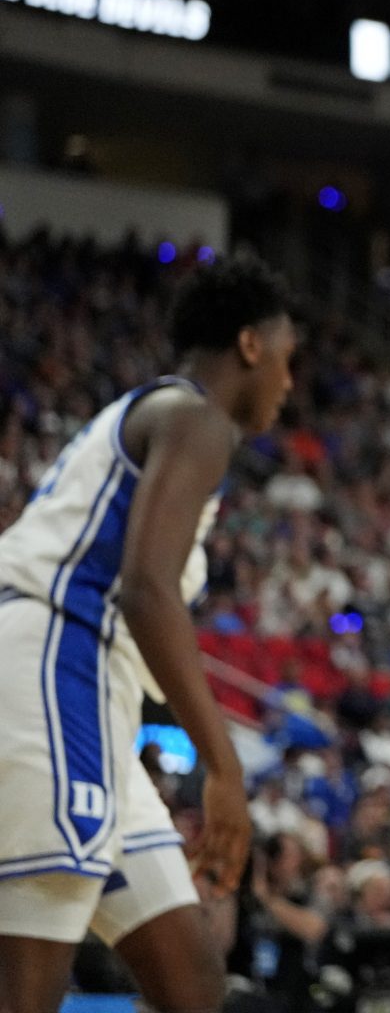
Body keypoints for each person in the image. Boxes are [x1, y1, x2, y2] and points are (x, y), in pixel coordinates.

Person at [0, 252, 296, 1013]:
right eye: (286, 359)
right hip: (51, 663)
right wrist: (225, 769)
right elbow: (146, 592)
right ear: (251, 346)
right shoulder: (197, 419)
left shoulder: (155, 415)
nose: (289, 384)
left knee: (191, 979)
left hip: (85, 687)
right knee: (28, 982)